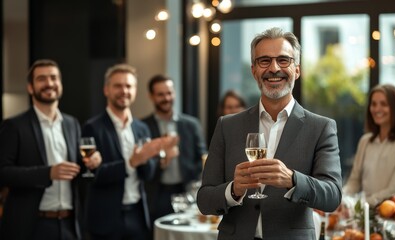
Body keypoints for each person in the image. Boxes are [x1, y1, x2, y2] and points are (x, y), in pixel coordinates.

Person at [197, 27, 342, 239]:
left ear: (297, 70)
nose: (274, 68)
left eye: (284, 60)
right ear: (254, 70)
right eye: (264, 61)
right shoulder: (226, 126)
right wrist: (234, 190)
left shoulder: (321, 127)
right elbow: (204, 200)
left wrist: (292, 180)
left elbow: (332, 196)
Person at [0, 59, 102, 240]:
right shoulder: (14, 126)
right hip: (32, 226)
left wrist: (92, 165)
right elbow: (3, 173)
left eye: (54, 78)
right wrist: (48, 173)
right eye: (41, 79)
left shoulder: (72, 124)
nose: (49, 83)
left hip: (70, 224)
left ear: (60, 84)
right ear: (30, 87)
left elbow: (78, 171)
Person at [82, 64, 177, 239]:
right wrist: (131, 162)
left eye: (129, 86)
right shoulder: (92, 127)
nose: (124, 91)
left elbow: (147, 175)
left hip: (138, 215)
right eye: (118, 86)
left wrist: (152, 157)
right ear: (106, 90)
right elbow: (92, 176)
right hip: (106, 219)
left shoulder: (141, 128)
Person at [142, 74, 208, 225]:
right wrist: (163, 158)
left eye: (169, 93)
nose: (166, 98)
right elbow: (142, 165)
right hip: (156, 194)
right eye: (160, 94)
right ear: (151, 96)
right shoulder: (143, 127)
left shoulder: (191, 124)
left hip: (186, 191)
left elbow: (202, 157)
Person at [343, 84, 395, 206]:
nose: (377, 109)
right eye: (373, 104)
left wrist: (358, 205)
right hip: (363, 216)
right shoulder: (365, 141)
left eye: (384, 104)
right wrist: (341, 200)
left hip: (392, 220)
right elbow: (354, 181)